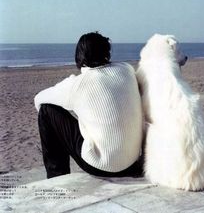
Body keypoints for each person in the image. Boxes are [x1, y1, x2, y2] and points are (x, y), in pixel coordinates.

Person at [34, 32, 143, 178]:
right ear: (107, 52)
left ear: (79, 56)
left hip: (101, 166)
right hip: (132, 162)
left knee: (47, 110)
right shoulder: (127, 69)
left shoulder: (77, 84)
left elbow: (39, 99)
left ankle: (57, 176)